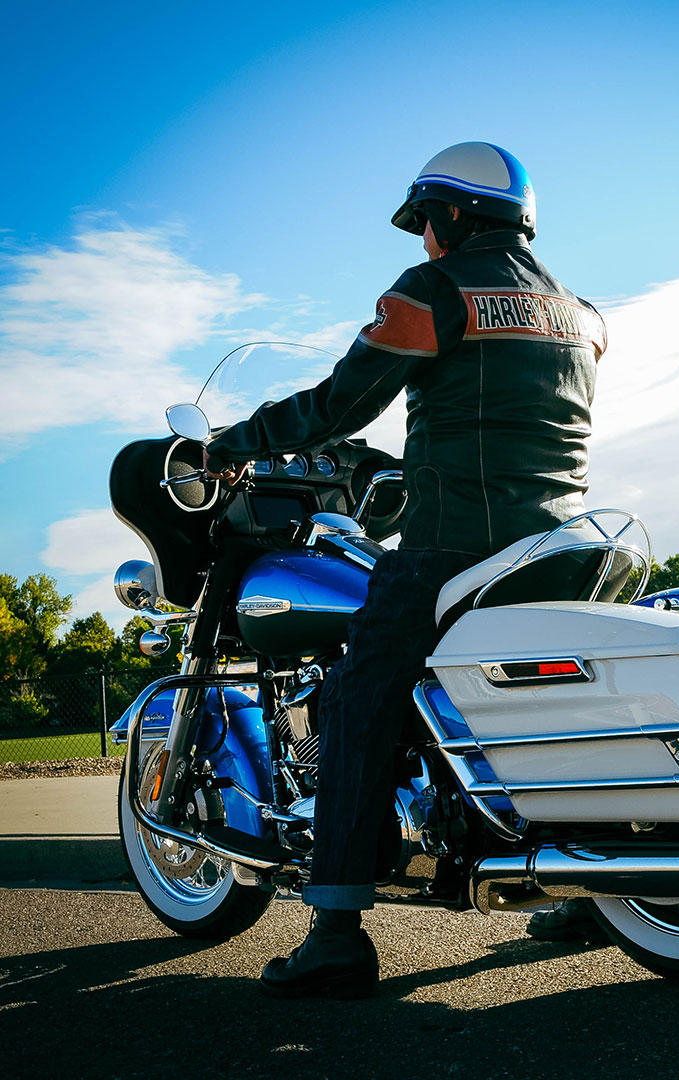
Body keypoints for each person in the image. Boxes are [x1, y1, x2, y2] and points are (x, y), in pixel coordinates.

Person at [203, 142, 607, 998]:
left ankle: (338, 931)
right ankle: (598, 888)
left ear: (454, 214)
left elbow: (340, 404)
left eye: (425, 217)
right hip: (564, 542)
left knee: (352, 700)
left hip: (456, 544)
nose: (422, 236)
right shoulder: (581, 312)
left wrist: (233, 443)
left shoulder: (435, 290)